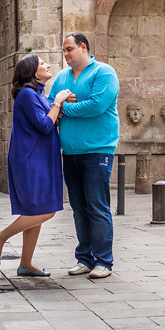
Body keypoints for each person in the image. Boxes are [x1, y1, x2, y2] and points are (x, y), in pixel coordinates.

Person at [0, 55, 71, 277]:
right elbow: (45, 125)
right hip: (31, 159)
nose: (47, 65)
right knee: (47, 211)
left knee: (36, 208)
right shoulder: (27, 94)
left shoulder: (37, 94)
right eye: (42, 63)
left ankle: (25, 263)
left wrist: (60, 105)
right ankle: (1, 236)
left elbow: (47, 119)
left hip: (41, 157)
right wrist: (58, 102)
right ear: (33, 72)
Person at [48, 33, 120, 280]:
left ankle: (104, 261)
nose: (66, 55)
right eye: (64, 51)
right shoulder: (61, 77)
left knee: (97, 207)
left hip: (98, 151)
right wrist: (62, 105)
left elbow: (97, 105)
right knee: (79, 208)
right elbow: (50, 106)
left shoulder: (104, 73)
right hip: (70, 153)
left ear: (83, 47)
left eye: (69, 49)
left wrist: (65, 107)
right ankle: (85, 258)